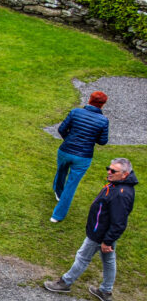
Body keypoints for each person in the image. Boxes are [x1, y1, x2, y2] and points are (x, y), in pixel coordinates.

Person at [44, 159, 137, 301]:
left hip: (99, 234)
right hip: (103, 232)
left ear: (124, 174)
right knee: (108, 260)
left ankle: (65, 283)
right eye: (108, 168)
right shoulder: (118, 185)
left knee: (82, 257)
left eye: (113, 171)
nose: (109, 172)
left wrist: (107, 241)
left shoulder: (121, 194)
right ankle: (105, 291)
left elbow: (119, 223)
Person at [51, 91, 109, 223]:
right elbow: (102, 141)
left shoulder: (75, 112)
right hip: (83, 156)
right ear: (103, 104)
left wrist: (68, 140)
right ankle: (57, 216)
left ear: (90, 99)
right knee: (71, 185)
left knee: (61, 170)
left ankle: (58, 192)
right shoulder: (103, 120)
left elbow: (62, 129)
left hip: (65, 150)